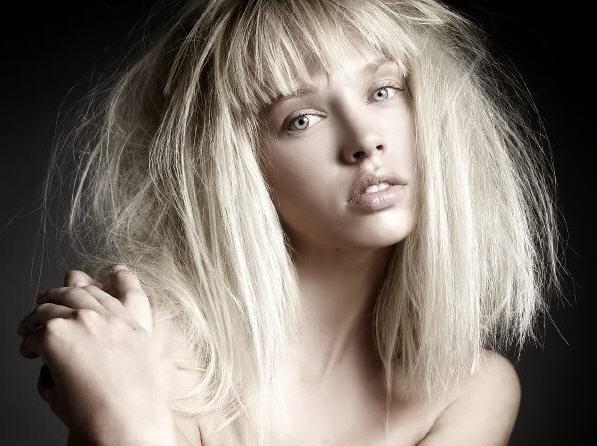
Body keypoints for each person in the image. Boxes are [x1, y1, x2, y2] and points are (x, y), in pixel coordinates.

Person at [16, 0, 564, 444]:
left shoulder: (469, 392)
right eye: (301, 119)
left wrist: (126, 427)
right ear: (239, 166)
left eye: (382, 91)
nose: (364, 140)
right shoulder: (150, 353)